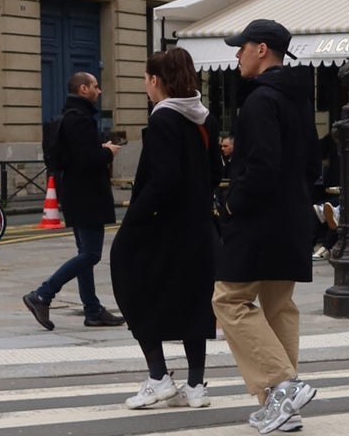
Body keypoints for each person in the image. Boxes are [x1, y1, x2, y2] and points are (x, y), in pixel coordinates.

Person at [213, 19, 320, 436]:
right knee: (278, 306)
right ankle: (283, 409)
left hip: (258, 219)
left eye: (241, 47)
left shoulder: (260, 101)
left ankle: (282, 384)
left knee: (229, 301)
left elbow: (261, 167)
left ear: (261, 49)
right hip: (291, 217)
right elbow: (312, 164)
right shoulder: (298, 99)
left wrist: (232, 204)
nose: (236, 55)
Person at [110, 47, 219, 410]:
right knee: (193, 300)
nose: (145, 85)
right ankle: (195, 384)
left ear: (156, 80)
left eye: (145, 79)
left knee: (132, 285)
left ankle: (158, 375)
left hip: (162, 228)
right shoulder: (205, 119)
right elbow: (215, 173)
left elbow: (163, 179)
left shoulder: (163, 120)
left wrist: (134, 219)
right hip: (199, 227)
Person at [23, 69, 125, 331]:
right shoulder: (81, 120)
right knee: (91, 254)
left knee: (85, 253)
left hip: (76, 194)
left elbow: (78, 155)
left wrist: (98, 150)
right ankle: (43, 294)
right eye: (95, 86)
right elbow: (87, 160)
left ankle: (92, 310)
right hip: (87, 195)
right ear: (83, 90)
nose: (99, 91)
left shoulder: (70, 117)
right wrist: (108, 153)